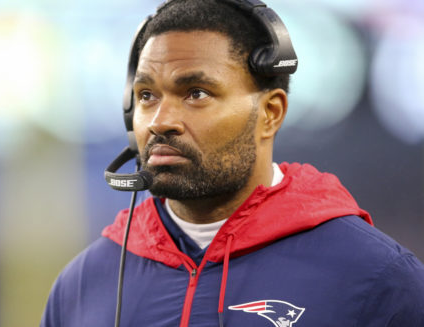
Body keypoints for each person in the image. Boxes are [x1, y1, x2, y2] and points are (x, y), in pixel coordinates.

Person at [40, 0, 424, 326]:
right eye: (146, 96)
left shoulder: (377, 279)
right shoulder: (82, 285)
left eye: (196, 93)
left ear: (270, 113)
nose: (160, 121)